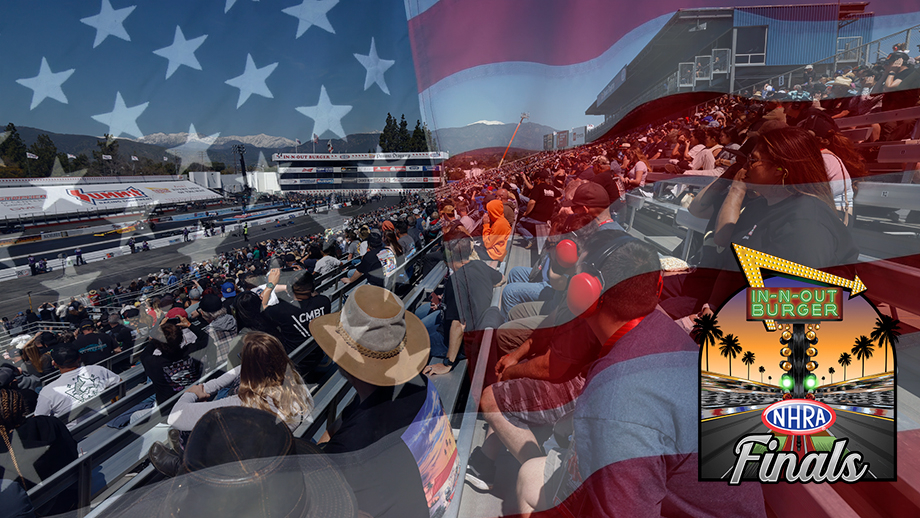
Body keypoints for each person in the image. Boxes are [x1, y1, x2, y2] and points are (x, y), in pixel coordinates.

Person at [515, 235, 767, 517]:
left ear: (583, 296)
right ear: (657, 286)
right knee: (533, 475)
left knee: (530, 480)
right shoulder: (662, 329)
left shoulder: (617, 397)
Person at [310, 285, 459, 518]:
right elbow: (349, 419)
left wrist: (326, 446)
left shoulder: (352, 447)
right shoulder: (418, 382)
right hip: (443, 489)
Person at [156, 331, 314, 475]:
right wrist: (209, 386)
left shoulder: (241, 404)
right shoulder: (294, 383)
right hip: (278, 446)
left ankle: (183, 467)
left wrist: (190, 393)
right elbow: (237, 373)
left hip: (250, 465)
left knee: (205, 430)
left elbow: (175, 417)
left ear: (249, 365)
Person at [0, 388, 79, 516]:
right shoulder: (49, 423)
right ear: (21, 406)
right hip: (71, 499)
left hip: (34, 511)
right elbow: (72, 451)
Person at [34, 344, 121, 427]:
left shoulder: (47, 391)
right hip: (109, 419)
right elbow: (120, 382)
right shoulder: (98, 370)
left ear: (54, 364)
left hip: (77, 433)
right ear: (79, 358)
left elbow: (39, 420)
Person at [262, 269, 331, 355]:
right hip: (318, 352)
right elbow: (315, 295)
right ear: (312, 287)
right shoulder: (324, 301)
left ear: (290, 290)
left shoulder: (281, 310)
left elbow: (262, 306)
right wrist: (305, 278)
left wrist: (271, 284)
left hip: (295, 358)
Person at [140, 321, 203, 405]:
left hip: (169, 408)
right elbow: (206, 338)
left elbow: (145, 353)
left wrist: (157, 336)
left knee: (135, 415)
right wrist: (189, 325)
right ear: (181, 338)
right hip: (195, 397)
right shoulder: (192, 350)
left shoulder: (152, 362)